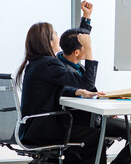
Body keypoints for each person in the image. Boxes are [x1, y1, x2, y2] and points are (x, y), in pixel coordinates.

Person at [58, 0, 131, 164]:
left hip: (95, 116)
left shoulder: (67, 61)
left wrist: (86, 17)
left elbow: (79, 41)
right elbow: (85, 86)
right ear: (78, 52)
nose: (90, 48)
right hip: (87, 122)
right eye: (88, 47)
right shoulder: (62, 71)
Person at [15, 22, 106, 164]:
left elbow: (52, 88)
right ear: (49, 41)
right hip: (43, 130)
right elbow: (88, 83)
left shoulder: (35, 64)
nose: (58, 37)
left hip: (31, 128)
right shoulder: (49, 64)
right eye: (55, 34)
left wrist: (77, 91)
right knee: (96, 136)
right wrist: (88, 48)